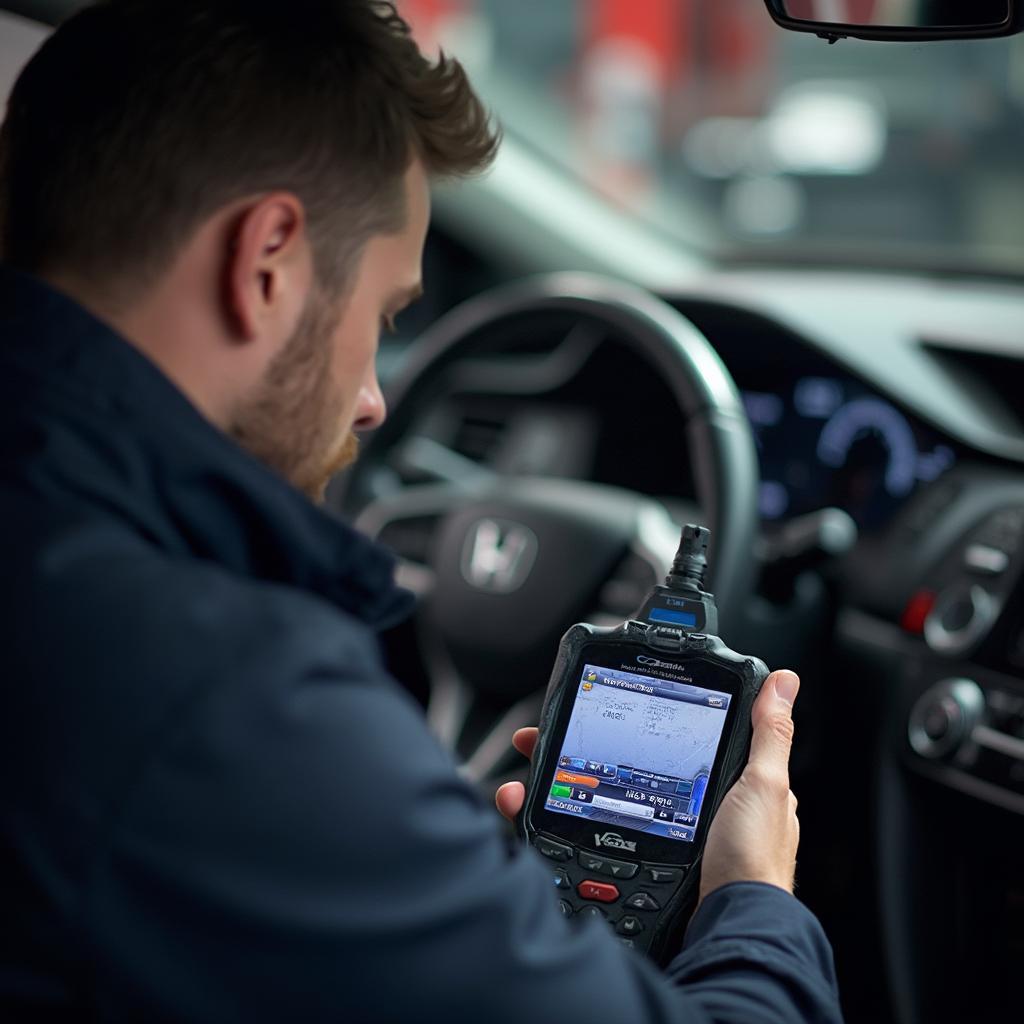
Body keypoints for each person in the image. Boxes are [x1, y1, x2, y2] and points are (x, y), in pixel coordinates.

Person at [0, 2, 843, 1021]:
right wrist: (753, 897)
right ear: (265, 259)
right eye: (385, 315)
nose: (374, 401)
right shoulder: (219, 700)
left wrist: (421, 867)